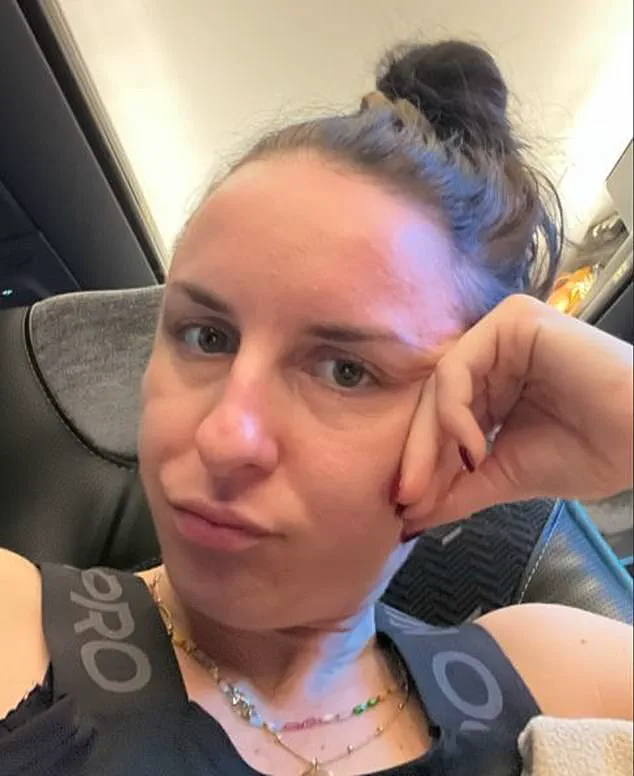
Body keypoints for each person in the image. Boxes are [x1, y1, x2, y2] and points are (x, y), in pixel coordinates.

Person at [1, 39, 632, 776]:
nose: (223, 435)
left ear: (480, 418)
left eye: (345, 371)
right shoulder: (13, 623)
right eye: (206, 336)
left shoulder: (562, 676)